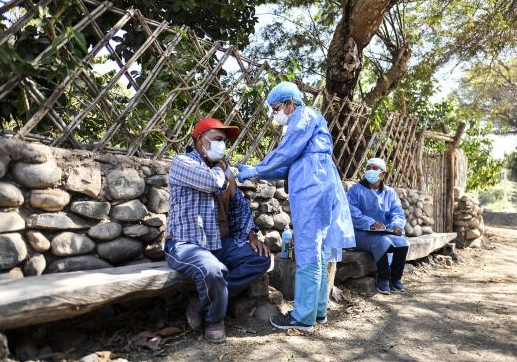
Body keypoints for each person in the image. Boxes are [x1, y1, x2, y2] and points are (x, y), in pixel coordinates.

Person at [237, 82, 355, 331]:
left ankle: (302, 317)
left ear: (291, 103)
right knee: (318, 250)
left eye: (276, 107)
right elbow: (283, 165)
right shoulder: (306, 128)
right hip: (316, 185)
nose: (274, 114)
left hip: (313, 188)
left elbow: (285, 153)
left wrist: (256, 168)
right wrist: (254, 173)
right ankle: (317, 311)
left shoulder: (304, 115)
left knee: (308, 250)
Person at [165, 117, 271, 343]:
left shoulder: (223, 171)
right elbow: (212, 183)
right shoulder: (183, 162)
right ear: (200, 140)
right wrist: (224, 169)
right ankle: (215, 320)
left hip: (219, 242)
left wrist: (251, 235)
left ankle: (201, 300)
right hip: (186, 243)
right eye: (217, 139)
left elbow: (238, 205)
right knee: (214, 270)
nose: (222, 146)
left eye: (224, 141)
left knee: (260, 259)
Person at [346, 158, 409, 295]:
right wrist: (371, 223)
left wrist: (396, 226)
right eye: (368, 167)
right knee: (382, 241)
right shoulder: (355, 190)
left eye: (375, 168)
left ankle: (395, 278)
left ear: (383, 174)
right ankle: (383, 279)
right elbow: (352, 213)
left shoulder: (389, 193)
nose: (370, 171)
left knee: (403, 242)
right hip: (360, 234)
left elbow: (397, 213)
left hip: (384, 232)